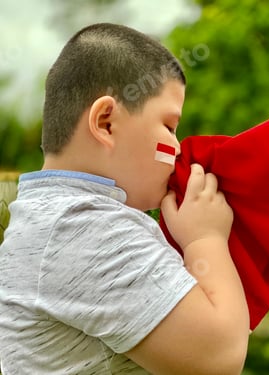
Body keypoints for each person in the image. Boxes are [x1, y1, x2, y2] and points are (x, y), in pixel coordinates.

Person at [0, 23, 249, 375]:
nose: (177, 148)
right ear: (106, 123)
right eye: (169, 126)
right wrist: (205, 239)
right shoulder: (83, 226)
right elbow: (218, 359)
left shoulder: (52, 219)